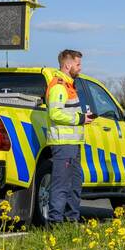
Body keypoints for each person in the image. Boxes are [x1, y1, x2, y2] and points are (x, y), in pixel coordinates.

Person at [45, 49, 94, 224]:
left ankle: (71, 222)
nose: (80, 68)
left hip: (73, 144)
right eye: (78, 64)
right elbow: (55, 114)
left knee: (74, 185)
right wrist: (80, 118)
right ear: (67, 65)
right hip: (63, 144)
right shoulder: (59, 86)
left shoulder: (69, 85)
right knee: (61, 186)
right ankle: (55, 224)